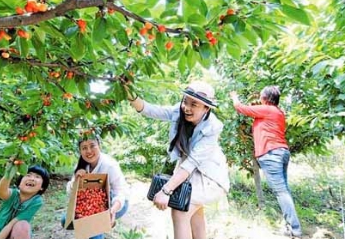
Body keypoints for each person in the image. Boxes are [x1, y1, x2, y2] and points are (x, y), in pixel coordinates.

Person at [126, 80, 230, 239]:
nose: (186, 107)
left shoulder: (212, 127)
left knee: (181, 209)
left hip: (209, 178)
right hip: (191, 175)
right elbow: (150, 109)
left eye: (194, 104)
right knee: (195, 213)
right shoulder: (178, 111)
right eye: (185, 101)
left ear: (206, 108)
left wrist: (166, 190)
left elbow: (191, 163)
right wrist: (128, 90)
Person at [230, 86, 302, 238]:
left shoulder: (267, 109)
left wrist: (234, 96)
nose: (259, 98)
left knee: (281, 191)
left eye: (261, 96)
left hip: (271, 153)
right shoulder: (278, 112)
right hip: (281, 152)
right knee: (284, 190)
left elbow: (240, 108)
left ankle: (295, 229)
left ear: (266, 99)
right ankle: (290, 227)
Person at [61, 134, 129, 239]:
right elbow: (70, 192)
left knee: (93, 228)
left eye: (92, 146)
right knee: (65, 221)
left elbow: (120, 192)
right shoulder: (80, 165)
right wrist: (77, 181)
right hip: (93, 203)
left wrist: (113, 210)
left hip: (117, 203)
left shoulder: (110, 165)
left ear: (99, 145)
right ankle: (95, 226)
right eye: (84, 148)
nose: (88, 151)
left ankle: (96, 228)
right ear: (80, 151)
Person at [0, 164, 50, 239]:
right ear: (20, 183)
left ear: (42, 187)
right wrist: (9, 172)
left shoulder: (36, 201)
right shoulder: (13, 194)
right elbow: (2, 191)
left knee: (22, 225)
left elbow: (12, 223)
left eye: (37, 177)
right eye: (28, 175)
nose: (32, 179)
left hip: (16, 234)